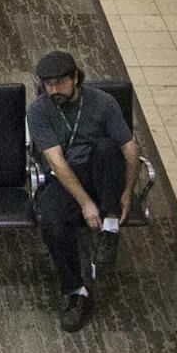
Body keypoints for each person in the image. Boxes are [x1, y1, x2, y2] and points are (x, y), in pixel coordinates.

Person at [29, 51, 137, 331]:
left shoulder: (103, 103)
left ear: (75, 78)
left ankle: (110, 228)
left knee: (107, 147)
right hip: (66, 177)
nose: (54, 90)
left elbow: (130, 149)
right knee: (52, 222)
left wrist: (127, 191)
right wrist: (86, 203)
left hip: (101, 171)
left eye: (60, 83)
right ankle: (76, 292)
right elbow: (56, 161)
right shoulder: (39, 111)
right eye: (48, 85)